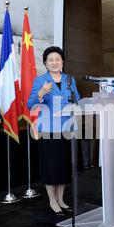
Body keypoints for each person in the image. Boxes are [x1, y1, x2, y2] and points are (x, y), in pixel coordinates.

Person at [27, 46, 80, 216]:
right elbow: (30, 104)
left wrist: (74, 105)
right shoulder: (40, 80)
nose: (54, 62)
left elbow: (77, 99)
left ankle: (61, 199)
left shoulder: (70, 79)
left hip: (67, 128)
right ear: (45, 63)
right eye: (50, 60)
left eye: (57, 59)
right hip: (48, 130)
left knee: (64, 166)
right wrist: (41, 93)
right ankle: (52, 200)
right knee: (51, 166)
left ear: (63, 62)